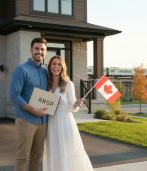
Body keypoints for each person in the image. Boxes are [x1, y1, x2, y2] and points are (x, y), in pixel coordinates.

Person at [43, 56, 93, 171]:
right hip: (51, 123)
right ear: (50, 66)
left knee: (67, 152)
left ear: (62, 67)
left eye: (59, 64)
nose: (56, 66)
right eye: (54, 64)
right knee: (53, 151)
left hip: (65, 123)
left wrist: (76, 104)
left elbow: (72, 106)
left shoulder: (68, 84)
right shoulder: (46, 84)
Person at [10, 37, 49, 171]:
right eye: (37, 48)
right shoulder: (22, 69)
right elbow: (14, 95)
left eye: (42, 49)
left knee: (37, 157)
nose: (39, 51)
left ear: (46, 51)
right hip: (26, 120)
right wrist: (33, 110)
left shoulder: (45, 71)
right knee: (23, 157)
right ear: (31, 50)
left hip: (43, 122)